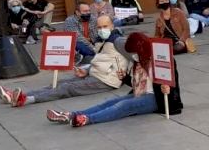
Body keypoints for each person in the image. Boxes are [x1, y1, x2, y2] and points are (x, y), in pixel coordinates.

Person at [0, 15, 128, 111]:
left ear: (112, 26)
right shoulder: (102, 40)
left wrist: (128, 78)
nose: (102, 30)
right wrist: (86, 70)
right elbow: (103, 60)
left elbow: (134, 55)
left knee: (66, 88)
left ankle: (26, 99)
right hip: (96, 74)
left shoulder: (118, 40)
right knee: (59, 83)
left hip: (106, 80)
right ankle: (18, 96)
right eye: (99, 27)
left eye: (105, 26)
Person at [53, 32, 182, 126]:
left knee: (123, 106)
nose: (133, 55)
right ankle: (73, 114)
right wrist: (125, 78)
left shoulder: (160, 59)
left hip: (157, 99)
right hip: (141, 94)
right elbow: (137, 84)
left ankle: (86, 119)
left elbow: (172, 83)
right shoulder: (139, 61)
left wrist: (168, 89)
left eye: (134, 52)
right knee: (110, 102)